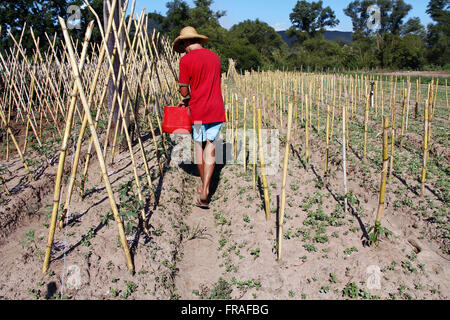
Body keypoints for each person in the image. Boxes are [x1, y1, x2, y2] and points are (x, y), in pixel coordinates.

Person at [173, 26, 226, 209]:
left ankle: (203, 189)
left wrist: (185, 98)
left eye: (183, 45)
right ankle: (205, 189)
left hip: (197, 113)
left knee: (198, 146)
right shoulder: (215, 57)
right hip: (216, 109)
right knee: (210, 145)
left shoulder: (185, 61)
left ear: (186, 42)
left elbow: (184, 88)